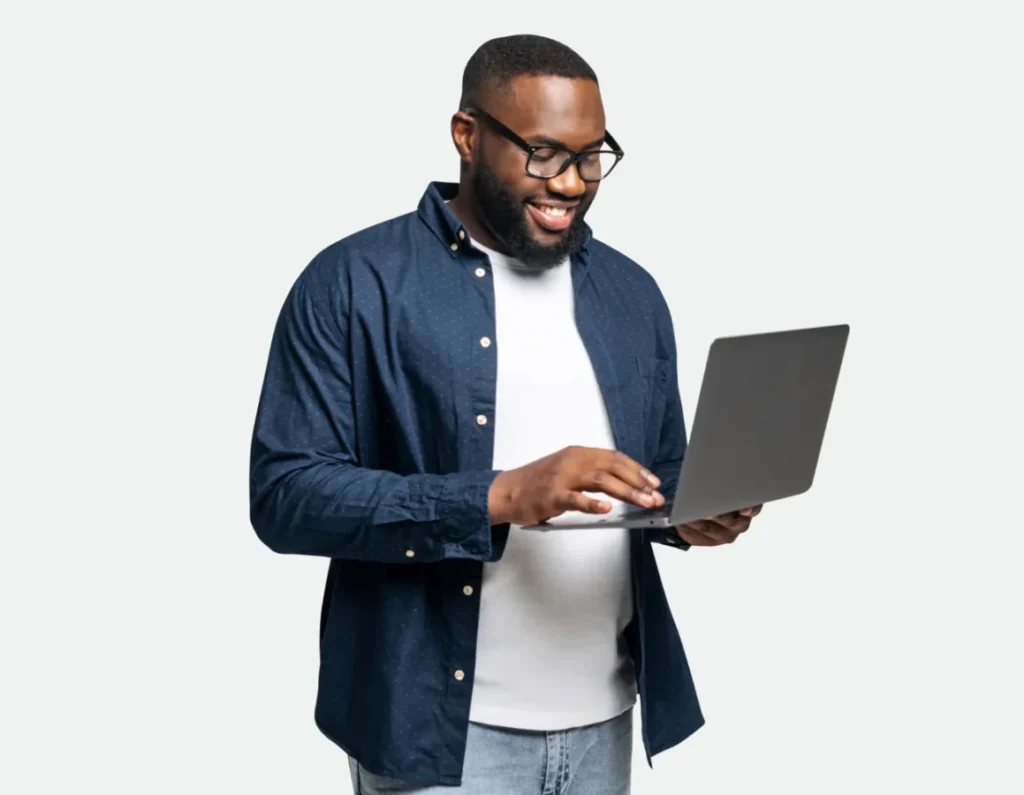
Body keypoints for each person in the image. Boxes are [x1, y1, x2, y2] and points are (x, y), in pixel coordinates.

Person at [249, 33, 762, 795]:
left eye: (593, 156)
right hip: (438, 736)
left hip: (604, 720)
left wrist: (689, 513)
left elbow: (660, 468)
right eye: (546, 153)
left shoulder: (632, 294)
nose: (573, 182)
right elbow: (286, 496)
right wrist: (497, 496)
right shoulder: (354, 282)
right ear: (467, 135)